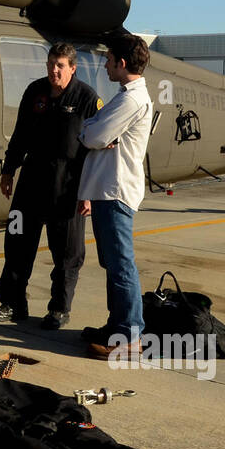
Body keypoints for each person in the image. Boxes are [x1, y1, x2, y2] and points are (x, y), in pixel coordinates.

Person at [0, 44, 102, 329]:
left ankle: (59, 310)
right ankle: (13, 303)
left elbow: (97, 150)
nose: (54, 70)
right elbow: (20, 134)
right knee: (17, 243)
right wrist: (9, 170)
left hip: (67, 185)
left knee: (66, 253)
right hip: (31, 180)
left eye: (60, 65)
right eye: (51, 64)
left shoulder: (87, 98)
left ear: (72, 68)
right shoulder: (34, 92)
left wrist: (90, 192)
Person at [75, 33, 154, 360]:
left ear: (122, 64)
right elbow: (95, 130)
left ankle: (130, 335)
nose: (105, 65)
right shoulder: (126, 97)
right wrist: (93, 130)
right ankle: (117, 325)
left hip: (115, 190)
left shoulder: (130, 101)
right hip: (108, 189)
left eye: (108, 60)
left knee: (121, 263)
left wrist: (89, 131)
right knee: (112, 262)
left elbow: (93, 134)